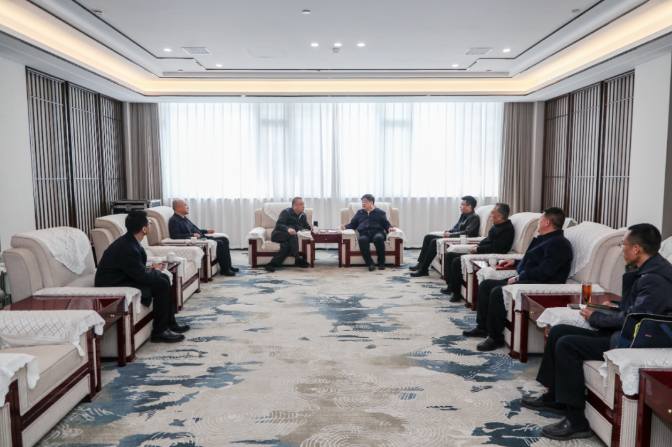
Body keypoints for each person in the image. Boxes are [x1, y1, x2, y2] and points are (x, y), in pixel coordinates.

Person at [522, 224, 672, 440]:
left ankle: (576, 421)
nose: (622, 249)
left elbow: (634, 320)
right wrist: (616, 305)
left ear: (636, 248)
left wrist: (595, 318)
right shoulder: (649, 270)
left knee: (567, 345)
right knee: (558, 331)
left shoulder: (655, 279)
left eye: (624, 245)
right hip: (624, 333)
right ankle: (554, 397)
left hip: (631, 341)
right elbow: (639, 309)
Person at [463, 207, 573, 351]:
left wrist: (518, 277)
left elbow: (544, 272)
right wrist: (515, 262)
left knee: (497, 292)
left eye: (540, 219)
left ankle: (495, 338)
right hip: (529, 278)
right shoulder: (546, 239)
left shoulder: (558, 244)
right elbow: (535, 260)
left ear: (547, 222)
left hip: (540, 283)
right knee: (486, 285)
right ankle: (482, 327)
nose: (538, 223)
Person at [95, 210, 189, 343]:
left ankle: (170, 323)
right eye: (149, 222)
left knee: (164, 278)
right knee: (161, 283)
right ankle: (159, 331)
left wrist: (152, 270)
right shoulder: (127, 247)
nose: (150, 225)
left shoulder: (130, 241)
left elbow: (134, 269)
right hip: (113, 284)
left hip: (123, 277)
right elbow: (144, 279)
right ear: (144, 229)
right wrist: (155, 270)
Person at [440, 203, 515, 302]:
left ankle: (456, 293)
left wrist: (479, 250)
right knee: (450, 255)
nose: (490, 216)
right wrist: (478, 245)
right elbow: (487, 239)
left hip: (490, 255)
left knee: (457, 261)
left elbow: (496, 248)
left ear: (499, 217)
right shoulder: (497, 225)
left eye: (492, 214)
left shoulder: (506, 229)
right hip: (483, 250)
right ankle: (450, 286)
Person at [410, 196, 480, 277]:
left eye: (462, 204)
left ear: (469, 207)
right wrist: (448, 232)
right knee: (428, 237)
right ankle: (420, 264)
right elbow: (455, 228)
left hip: (459, 240)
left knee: (434, 242)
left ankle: (424, 269)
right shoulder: (463, 216)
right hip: (453, 237)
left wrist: (450, 235)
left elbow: (468, 233)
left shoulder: (474, 217)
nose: (460, 206)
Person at [169, 199, 239, 277]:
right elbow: (174, 236)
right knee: (220, 243)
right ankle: (224, 269)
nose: (187, 207)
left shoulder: (184, 218)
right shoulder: (174, 220)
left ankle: (228, 266)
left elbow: (195, 229)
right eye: (185, 205)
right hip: (197, 241)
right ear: (178, 208)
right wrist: (192, 235)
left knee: (225, 239)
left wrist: (206, 231)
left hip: (203, 237)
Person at [340, 194, 397, 271]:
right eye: (362, 202)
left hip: (377, 233)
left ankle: (381, 262)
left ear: (371, 202)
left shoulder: (380, 212)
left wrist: (390, 228)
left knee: (378, 238)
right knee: (361, 240)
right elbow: (353, 224)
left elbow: (386, 223)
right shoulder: (359, 212)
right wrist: (345, 227)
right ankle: (370, 263)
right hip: (364, 234)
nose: (363, 203)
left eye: (365, 201)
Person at [265, 197, 312, 272]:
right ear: (294, 206)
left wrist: (311, 227)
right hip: (277, 234)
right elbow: (279, 225)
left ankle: (271, 264)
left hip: (289, 238)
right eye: (301, 204)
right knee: (293, 234)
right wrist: (288, 229)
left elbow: (306, 227)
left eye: (303, 204)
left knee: (287, 245)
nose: (303, 206)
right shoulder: (286, 212)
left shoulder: (303, 215)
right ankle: (297, 258)